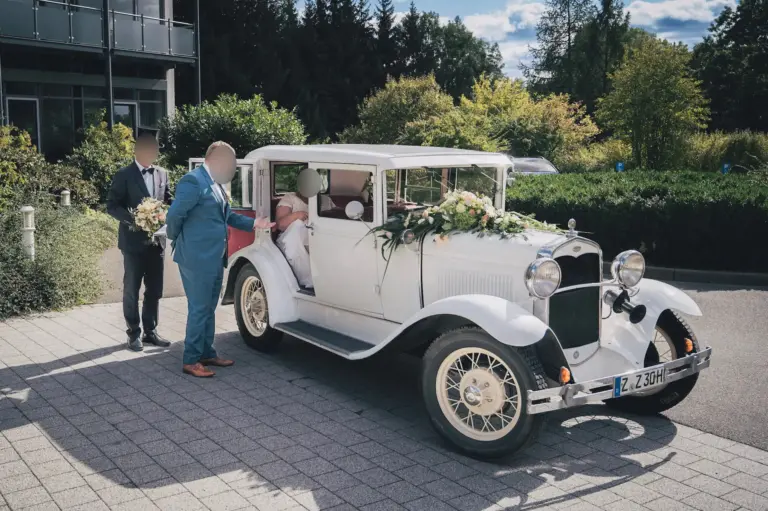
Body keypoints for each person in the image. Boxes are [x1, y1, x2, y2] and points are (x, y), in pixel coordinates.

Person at [166, 141, 273, 378]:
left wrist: (256, 223)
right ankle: (191, 359)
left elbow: (227, 216)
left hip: (215, 256)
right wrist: (176, 239)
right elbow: (174, 215)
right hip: (196, 258)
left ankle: (206, 352)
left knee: (209, 308)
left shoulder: (215, 183)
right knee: (199, 308)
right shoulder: (193, 181)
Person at [106, 132, 172, 352]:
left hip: (157, 242)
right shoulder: (124, 174)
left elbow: (168, 200)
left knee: (155, 289)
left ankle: (150, 332)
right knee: (132, 289)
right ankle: (133, 333)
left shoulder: (163, 173)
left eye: (155, 150)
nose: (153, 153)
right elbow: (112, 205)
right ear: (138, 151)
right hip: (133, 242)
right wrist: (134, 220)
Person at [274, 174, 334, 289]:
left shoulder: (326, 200)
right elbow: (280, 224)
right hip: (293, 238)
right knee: (297, 227)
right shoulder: (290, 198)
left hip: (320, 236)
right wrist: (296, 215)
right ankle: (308, 281)